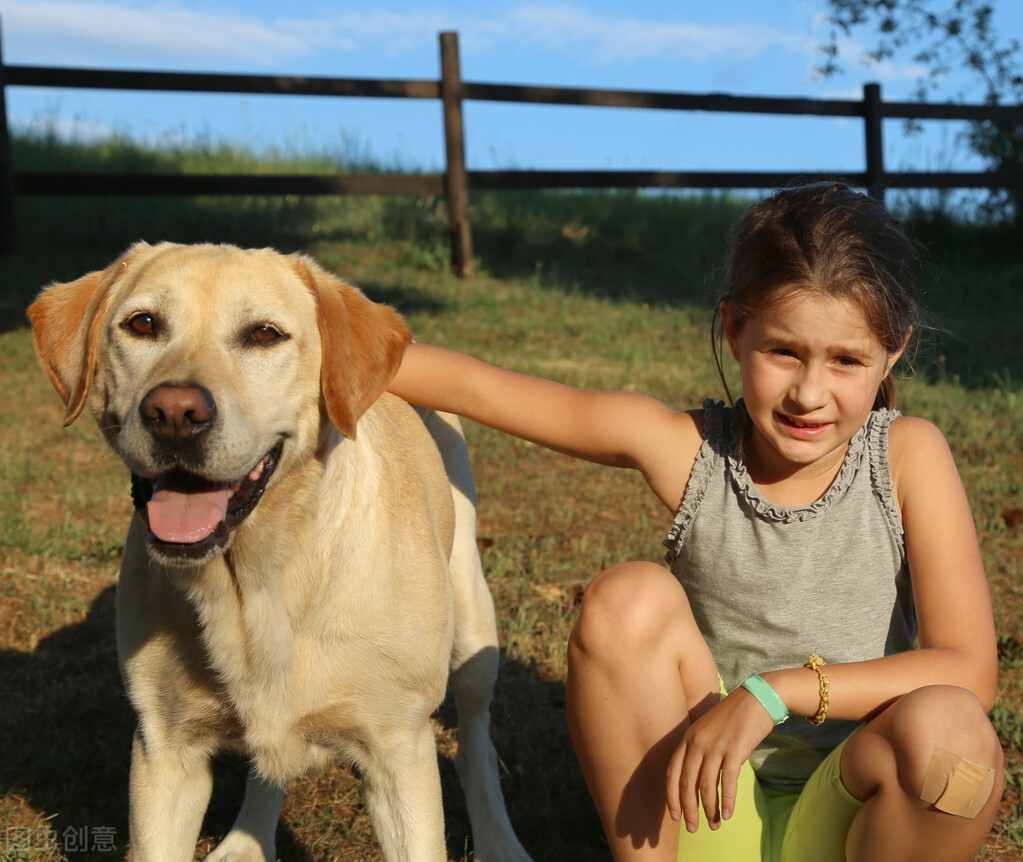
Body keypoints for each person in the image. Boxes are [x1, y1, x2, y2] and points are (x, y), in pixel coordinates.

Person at [387, 183, 1003, 862]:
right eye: (783, 352)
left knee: (953, 741)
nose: (808, 392)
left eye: (846, 361)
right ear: (735, 331)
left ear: (891, 353)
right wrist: (303, 339)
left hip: (857, 816)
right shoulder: (689, 451)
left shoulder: (906, 456)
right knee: (626, 600)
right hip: (707, 808)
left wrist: (776, 693)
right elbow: (477, 387)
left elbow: (968, 671)